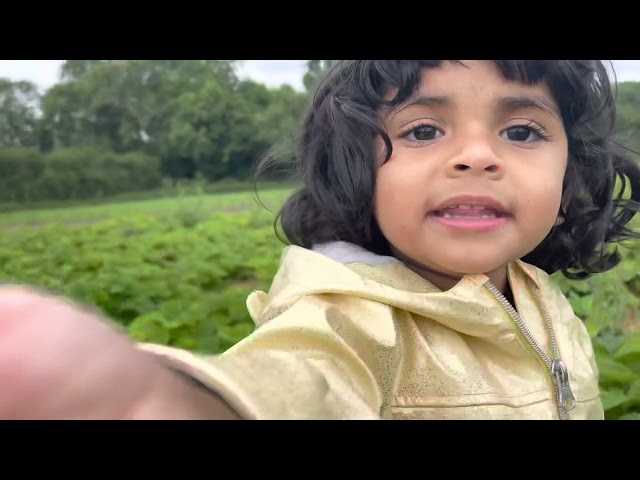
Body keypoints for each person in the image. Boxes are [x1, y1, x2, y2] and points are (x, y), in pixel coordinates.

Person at [2, 60, 639, 420]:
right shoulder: (348, 321)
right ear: (357, 171)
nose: (476, 155)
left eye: (523, 132)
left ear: (570, 168)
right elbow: (299, 380)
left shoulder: (535, 290)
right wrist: (182, 403)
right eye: (421, 131)